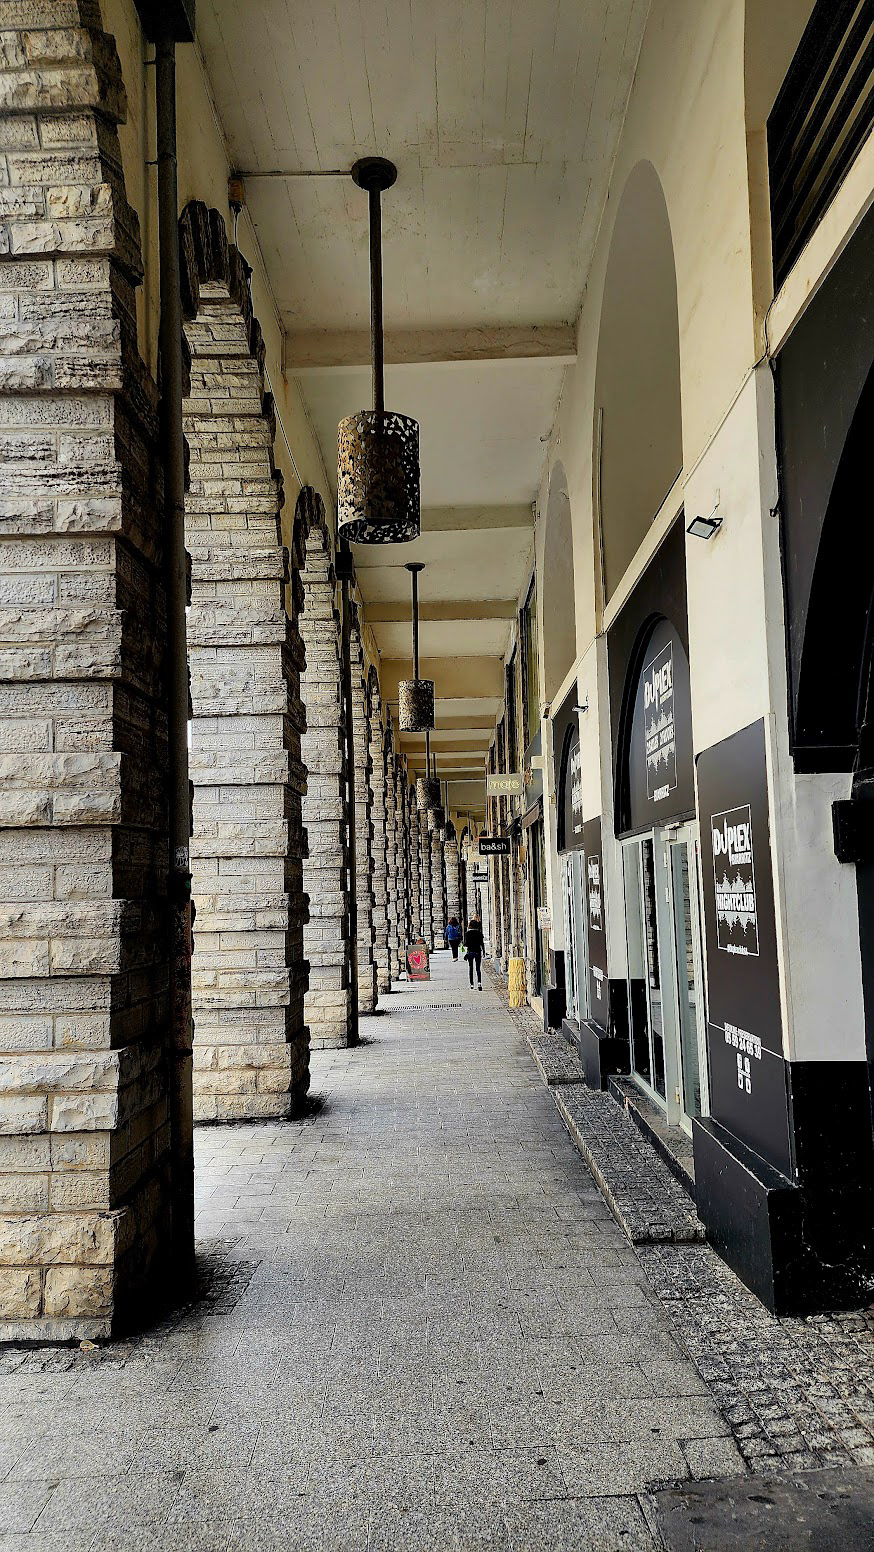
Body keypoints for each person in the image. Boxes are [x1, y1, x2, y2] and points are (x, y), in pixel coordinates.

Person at [464, 915, 484, 989]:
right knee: (478, 968)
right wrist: (484, 952)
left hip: (470, 952)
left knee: (471, 968)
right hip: (477, 951)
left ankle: (471, 984)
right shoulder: (479, 933)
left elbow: (466, 943)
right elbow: (482, 943)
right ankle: (479, 983)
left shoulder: (467, 934)